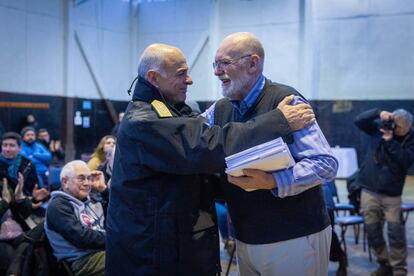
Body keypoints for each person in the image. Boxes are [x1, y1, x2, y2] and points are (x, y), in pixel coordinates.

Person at [106, 43, 315, 275]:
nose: (190, 80)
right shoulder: (143, 120)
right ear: (154, 78)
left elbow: (324, 163)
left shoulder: (170, 110)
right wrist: (278, 121)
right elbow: (206, 145)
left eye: (224, 63)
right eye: (181, 74)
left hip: (172, 245)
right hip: (152, 255)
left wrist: (268, 178)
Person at [203, 32, 337, 275]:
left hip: (294, 237)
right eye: (216, 64)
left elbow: (325, 164)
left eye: (224, 63)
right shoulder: (219, 109)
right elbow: (194, 137)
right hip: (246, 237)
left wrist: (273, 181)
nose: (216, 71)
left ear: (253, 63)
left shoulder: (287, 101)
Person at [355, 108, 414, 276]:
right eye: (397, 126)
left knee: (396, 232)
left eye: (403, 129)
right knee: (372, 230)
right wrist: (377, 113)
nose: (399, 131)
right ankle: (384, 263)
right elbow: (359, 121)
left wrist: (390, 142)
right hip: (370, 190)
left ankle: (399, 269)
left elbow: (406, 161)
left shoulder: (410, 138)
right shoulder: (380, 127)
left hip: (392, 194)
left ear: (408, 127)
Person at [44, 160, 106, 276]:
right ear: (65, 182)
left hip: (99, 252)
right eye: (81, 178)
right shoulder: (58, 206)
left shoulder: (90, 200)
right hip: (82, 261)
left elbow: (117, 216)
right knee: (129, 259)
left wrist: (104, 190)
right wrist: (115, 239)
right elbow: (81, 238)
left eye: (89, 178)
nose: (87, 183)